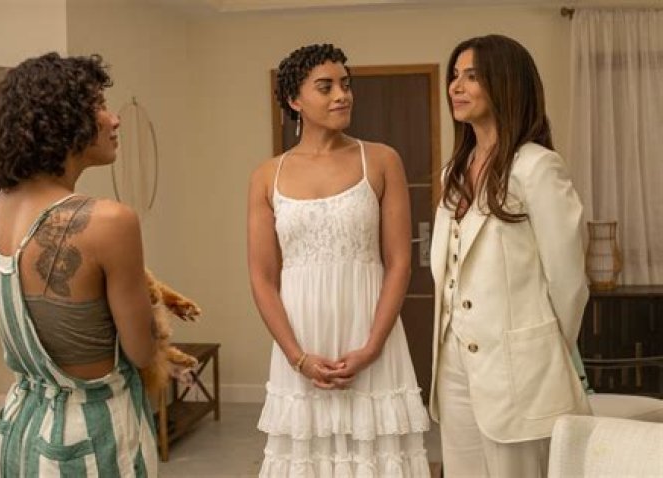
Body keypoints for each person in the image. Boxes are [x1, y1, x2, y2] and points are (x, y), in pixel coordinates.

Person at [247, 43, 430, 477]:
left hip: (369, 337)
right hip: (301, 342)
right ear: (294, 100)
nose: (342, 95)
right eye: (325, 87)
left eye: (345, 85)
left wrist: (371, 348)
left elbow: (399, 263)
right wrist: (298, 358)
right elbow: (262, 277)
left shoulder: (381, 160)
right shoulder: (267, 175)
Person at [0, 52, 158, 477]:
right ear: (63, 119)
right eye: (99, 105)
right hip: (90, 438)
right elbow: (142, 349)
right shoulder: (109, 221)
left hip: (22, 431)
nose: (114, 119)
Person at [428, 34, 591, 477]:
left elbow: (568, 281)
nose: (456, 87)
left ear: (505, 84)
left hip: (521, 367)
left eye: (472, 76)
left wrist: (543, 351)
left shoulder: (536, 166)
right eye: (454, 76)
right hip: (454, 362)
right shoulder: (453, 173)